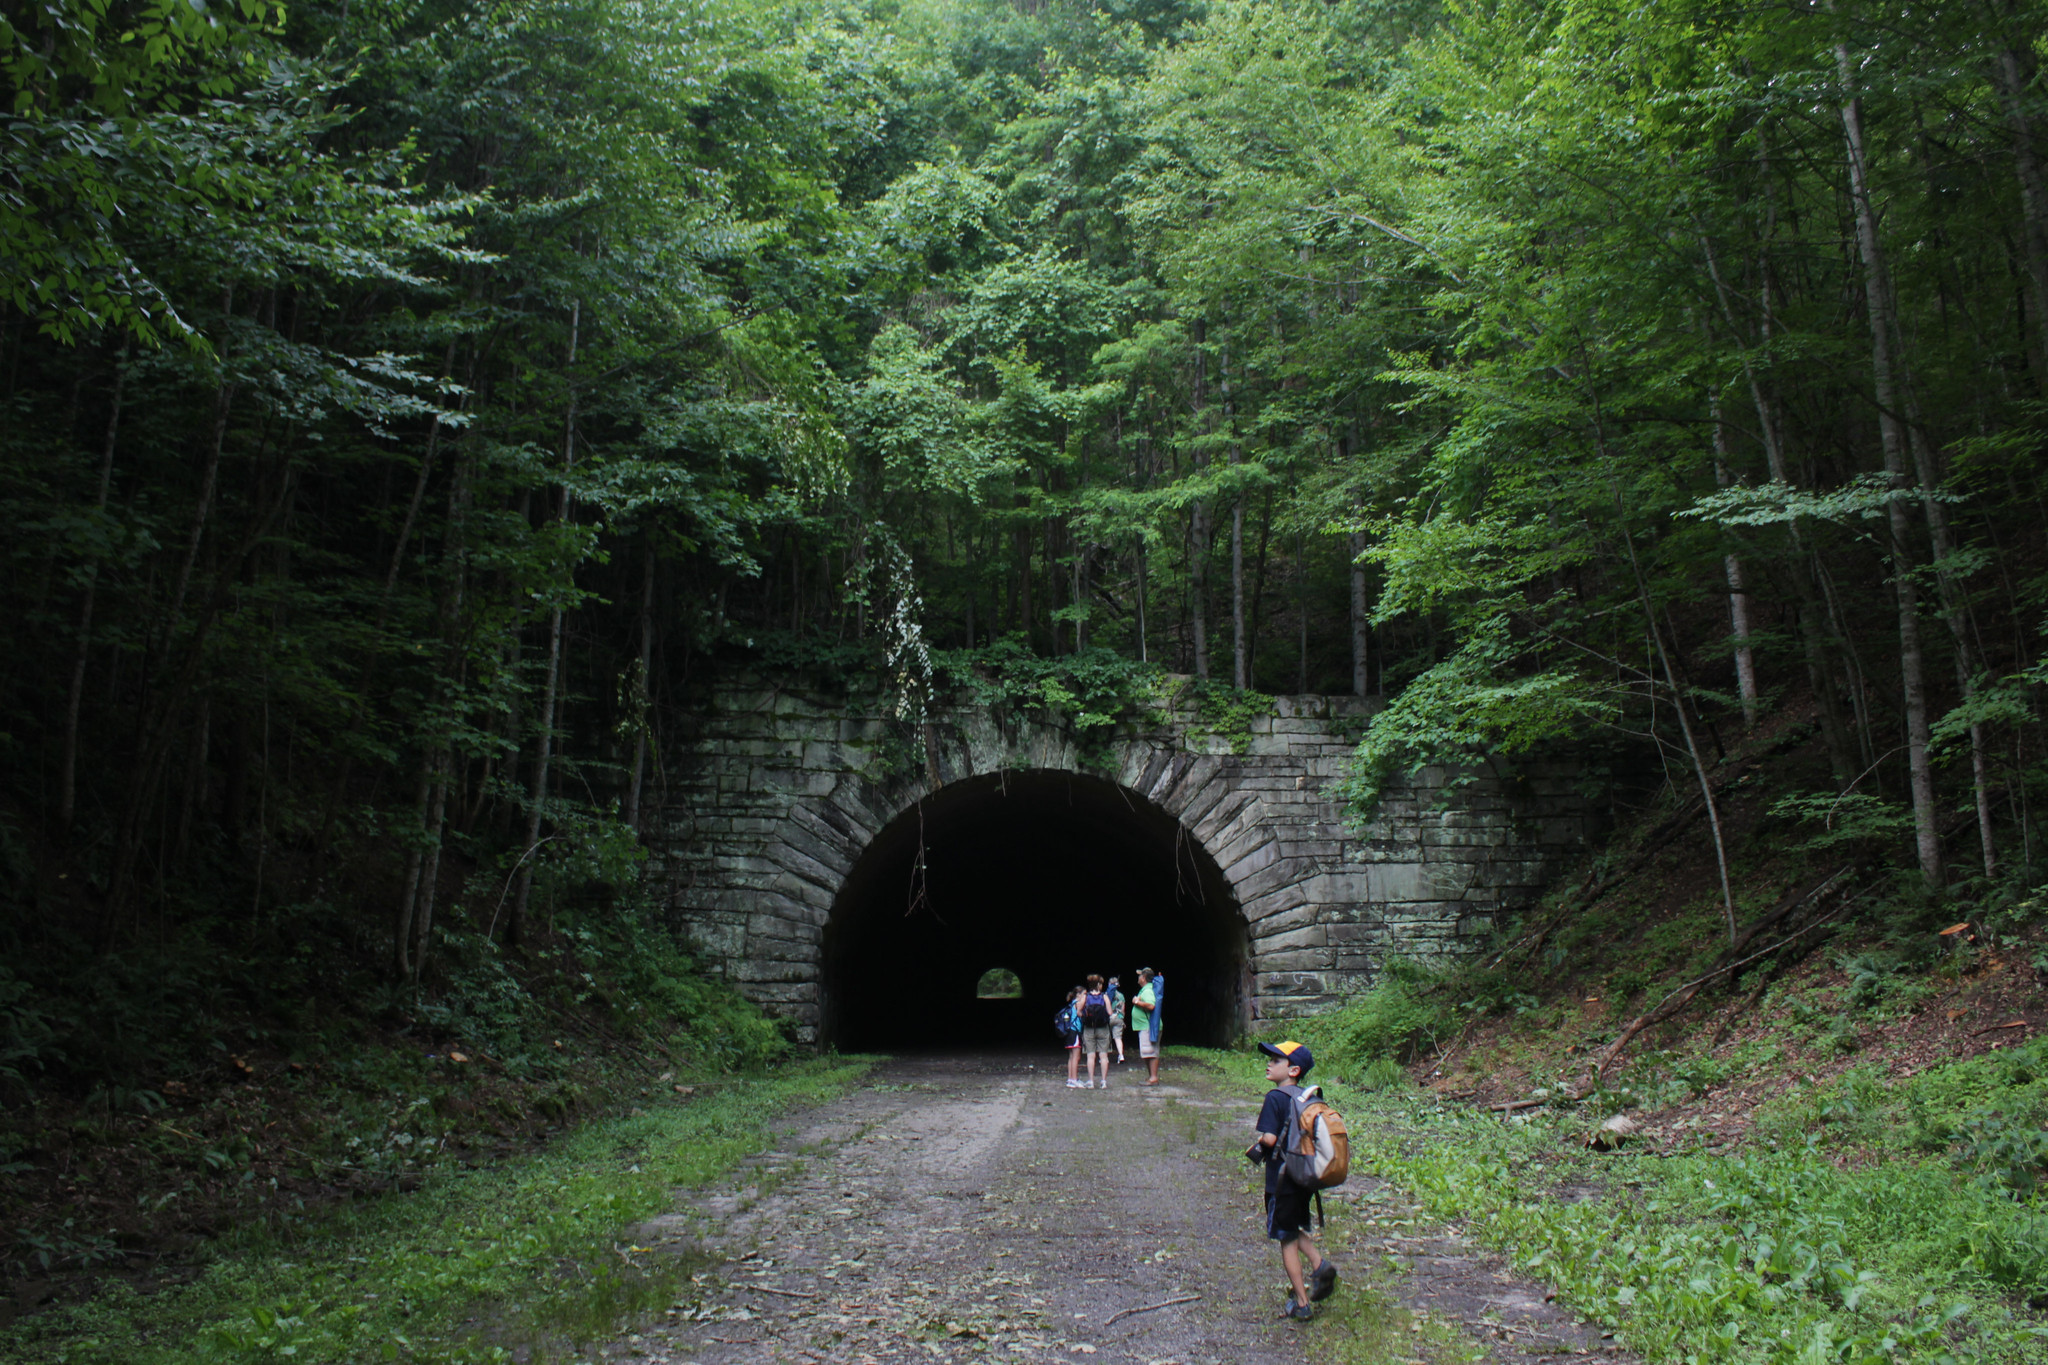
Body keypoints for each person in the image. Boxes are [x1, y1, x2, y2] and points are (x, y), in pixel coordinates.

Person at [1247, 1039, 1338, 1320]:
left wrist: (1260, 1141)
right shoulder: (1307, 1099)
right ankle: (1319, 1265)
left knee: (1285, 1237)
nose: (1269, 1063)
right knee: (1289, 1227)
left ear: (1294, 1069)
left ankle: (1302, 1302)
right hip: (1302, 1177)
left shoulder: (1275, 1098)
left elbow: (1271, 1139)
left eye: (1276, 1060)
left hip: (1281, 1179)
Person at [1077, 974, 1116, 1089]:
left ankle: (1091, 1081)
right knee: (1103, 1056)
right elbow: (1109, 1012)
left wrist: (1085, 1016)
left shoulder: (1086, 997)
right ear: (1099, 985)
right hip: (1103, 1028)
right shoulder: (1104, 996)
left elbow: (1079, 1011)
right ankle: (1103, 1081)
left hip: (1089, 1029)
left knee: (1090, 1056)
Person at [1131, 967, 1162, 1085]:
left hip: (1148, 1027)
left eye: (1140, 976)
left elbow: (1151, 1005)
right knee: (1147, 1052)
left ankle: (1153, 1078)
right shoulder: (1146, 989)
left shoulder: (1148, 991)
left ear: (1143, 978)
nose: (1138, 978)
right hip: (1146, 1026)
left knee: (1151, 1052)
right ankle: (1151, 1077)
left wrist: (1137, 1002)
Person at [1058, 987, 1084, 1088]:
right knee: (1076, 1057)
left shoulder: (1072, 1003)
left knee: (1071, 1057)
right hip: (1075, 1032)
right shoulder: (1078, 1003)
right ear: (1078, 994)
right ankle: (1074, 1079)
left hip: (1070, 1033)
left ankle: (1071, 1078)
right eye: (1084, 993)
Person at [1106, 975, 1128, 1065]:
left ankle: (1104, 1058)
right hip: (1118, 1018)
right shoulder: (1121, 996)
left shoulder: (1106, 995)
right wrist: (1122, 1019)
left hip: (1108, 1018)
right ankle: (1121, 1055)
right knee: (1118, 1038)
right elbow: (1123, 1010)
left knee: (1106, 1038)